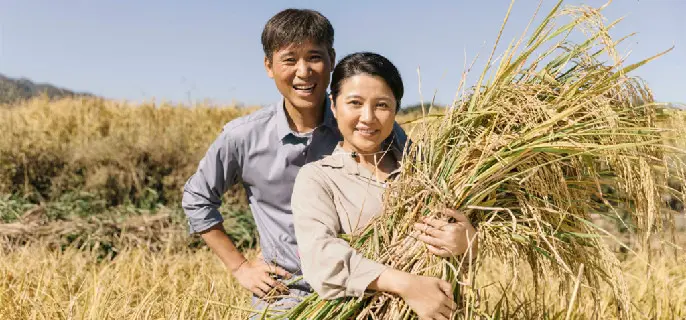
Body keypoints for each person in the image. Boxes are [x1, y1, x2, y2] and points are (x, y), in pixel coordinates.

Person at [181, 8, 408, 313]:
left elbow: (418, 182)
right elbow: (197, 198)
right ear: (269, 66)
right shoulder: (243, 136)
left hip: (366, 284)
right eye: (289, 59)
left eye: (314, 57)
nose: (303, 72)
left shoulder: (367, 127)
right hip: (286, 293)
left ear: (331, 59)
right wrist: (240, 268)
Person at [292, 52, 479, 320]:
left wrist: (469, 242)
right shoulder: (318, 178)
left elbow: (466, 249)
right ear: (333, 105)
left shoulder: (428, 174)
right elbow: (321, 258)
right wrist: (406, 285)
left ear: (395, 110)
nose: (367, 117)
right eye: (354, 103)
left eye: (381, 105)